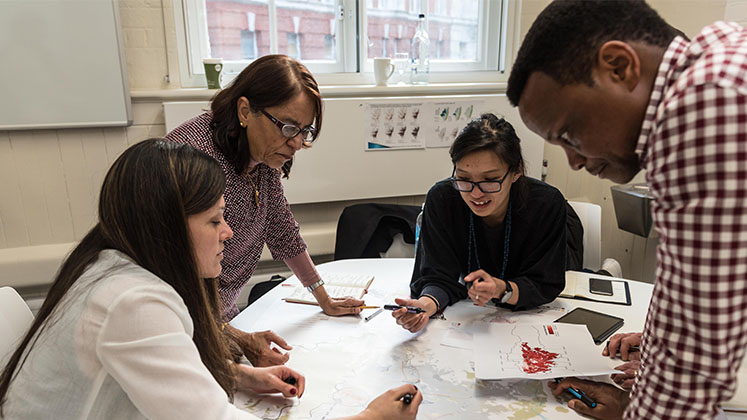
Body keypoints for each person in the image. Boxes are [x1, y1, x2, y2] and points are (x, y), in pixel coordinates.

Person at [0, 139, 422, 420]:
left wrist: (240, 376)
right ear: (167, 228)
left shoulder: (111, 263)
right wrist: (369, 418)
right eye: (215, 220)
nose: (229, 233)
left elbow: (158, 369)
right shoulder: (132, 301)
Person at [507, 1, 747, 419]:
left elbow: (693, 373)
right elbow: (691, 287)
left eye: (569, 134)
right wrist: (657, 345)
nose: (574, 162)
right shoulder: (718, 51)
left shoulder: (705, 105)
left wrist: (638, 406)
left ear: (619, 67)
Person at [165, 55, 364, 367]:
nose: (297, 143)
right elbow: (173, 283)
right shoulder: (194, 158)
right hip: (181, 325)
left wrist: (323, 297)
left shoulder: (262, 155)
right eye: (288, 127)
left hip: (220, 316)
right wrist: (238, 338)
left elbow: (281, 229)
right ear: (245, 111)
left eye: (304, 131)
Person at [392, 113, 580, 333]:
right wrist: (425, 305)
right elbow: (437, 275)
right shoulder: (443, 198)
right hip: (469, 320)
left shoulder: (545, 204)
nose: (476, 194)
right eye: (464, 178)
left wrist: (502, 289)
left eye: (490, 180)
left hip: (525, 321)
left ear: (516, 171)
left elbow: (545, 283)